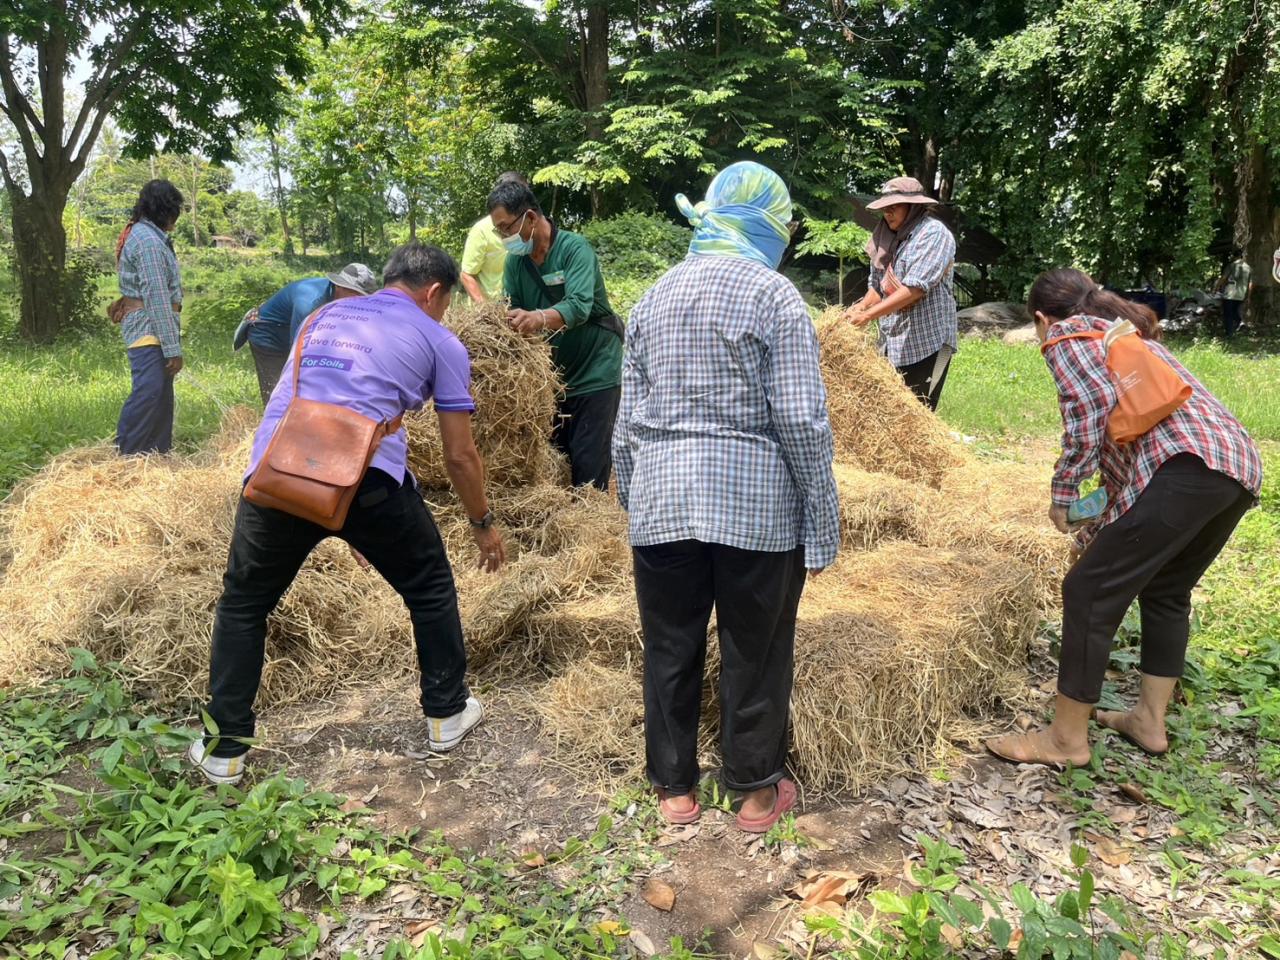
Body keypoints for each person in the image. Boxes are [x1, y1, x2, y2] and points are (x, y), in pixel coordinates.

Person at [189, 243, 507, 785]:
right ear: (435, 292)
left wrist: (342, 519)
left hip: (277, 470)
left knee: (244, 604)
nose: (445, 312)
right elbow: (459, 455)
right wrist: (482, 524)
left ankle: (224, 750)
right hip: (365, 480)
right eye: (446, 302)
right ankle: (447, 714)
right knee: (429, 588)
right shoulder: (440, 341)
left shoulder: (324, 315)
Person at [612, 162, 839, 832]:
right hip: (755, 508)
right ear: (768, 226)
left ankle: (675, 789)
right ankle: (755, 793)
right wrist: (822, 516)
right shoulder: (775, 296)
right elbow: (800, 418)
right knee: (756, 649)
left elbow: (627, 422)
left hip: (663, 500)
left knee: (670, 645)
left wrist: (635, 497)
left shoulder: (652, 297)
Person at [987, 268, 1262, 769]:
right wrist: (1091, 532)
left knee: (1087, 591)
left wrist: (1063, 494)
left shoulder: (1070, 338)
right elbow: (1130, 483)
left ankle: (1066, 741)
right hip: (1233, 467)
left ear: (1042, 319)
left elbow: (1088, 414)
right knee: (1166, 589)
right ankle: (1148, 722)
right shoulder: (1122, 336)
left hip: (1186, 467)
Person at [490, 179, 624, 491]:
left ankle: (590, 521)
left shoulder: (574, 249)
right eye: (499, 231)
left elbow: (579, 306)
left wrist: (537, 317)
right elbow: (509, 308)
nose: (505, 238)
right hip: (553, 381)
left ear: (530, 217)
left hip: (595, 372)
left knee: (588, 472)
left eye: (507, 228)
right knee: (555, 466)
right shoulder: (516, 263)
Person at [845, 177, 957, 410]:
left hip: (928, 342)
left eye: (894, 206)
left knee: (919, 413)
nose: (888, 213)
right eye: (885, 207)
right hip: (893, 343)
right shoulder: (885, 237)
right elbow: (878, 287)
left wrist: (868, 316)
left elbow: (915, 289)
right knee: (888, 412)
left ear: (913, 206)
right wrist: (861, 307)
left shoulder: (933, 234)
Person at [234, 263, 379, 404]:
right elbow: (298, 351)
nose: (358, 301)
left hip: (291, 330)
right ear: (339, 286)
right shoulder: (309, 303)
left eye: (363, 296)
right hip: (268, 334)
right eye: (355, 294)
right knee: (280, 393)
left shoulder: (343, 299)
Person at [114, 179, 185, 455]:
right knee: (149, 392)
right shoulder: (149, 242)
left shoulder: (149, 237)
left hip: (153, 327)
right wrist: (172, 349)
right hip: (148, 328)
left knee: (161, 397)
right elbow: (156, 298)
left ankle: (156, 456)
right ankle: (127, 454)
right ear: (166, 210)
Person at [459, 172, 530, 303]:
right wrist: (487, 309)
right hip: (493, 308)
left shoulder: (530, 227)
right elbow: (467, 275)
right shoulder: (481, 231)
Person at [1219, 249, 1252, 339]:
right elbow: (1250, 284)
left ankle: (1229, 334)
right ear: (1242, 257)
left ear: (1234, 256)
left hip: (1230, 294)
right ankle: (1237, 325)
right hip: (1241, 295)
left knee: (1228, 314)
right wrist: (1248, 297)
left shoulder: (1231, 265)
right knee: (1235, 312)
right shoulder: (1249, 268)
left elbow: (1223, 278)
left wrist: (1216, 288)